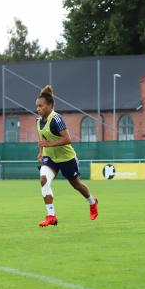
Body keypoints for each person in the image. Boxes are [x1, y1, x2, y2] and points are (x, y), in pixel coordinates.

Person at [36, 85, 98, 227]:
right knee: (43, 179)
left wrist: (49, 145)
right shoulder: (38, 121)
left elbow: (68, 139)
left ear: (50, 105)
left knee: (76, 185)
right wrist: (40, 152)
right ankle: (51, 216)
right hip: (50, 158)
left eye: (41, 106)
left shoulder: (56, 119)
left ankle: (93, 202)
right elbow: (42, 138)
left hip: (66, 158)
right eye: (37, 106)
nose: (38, 109)